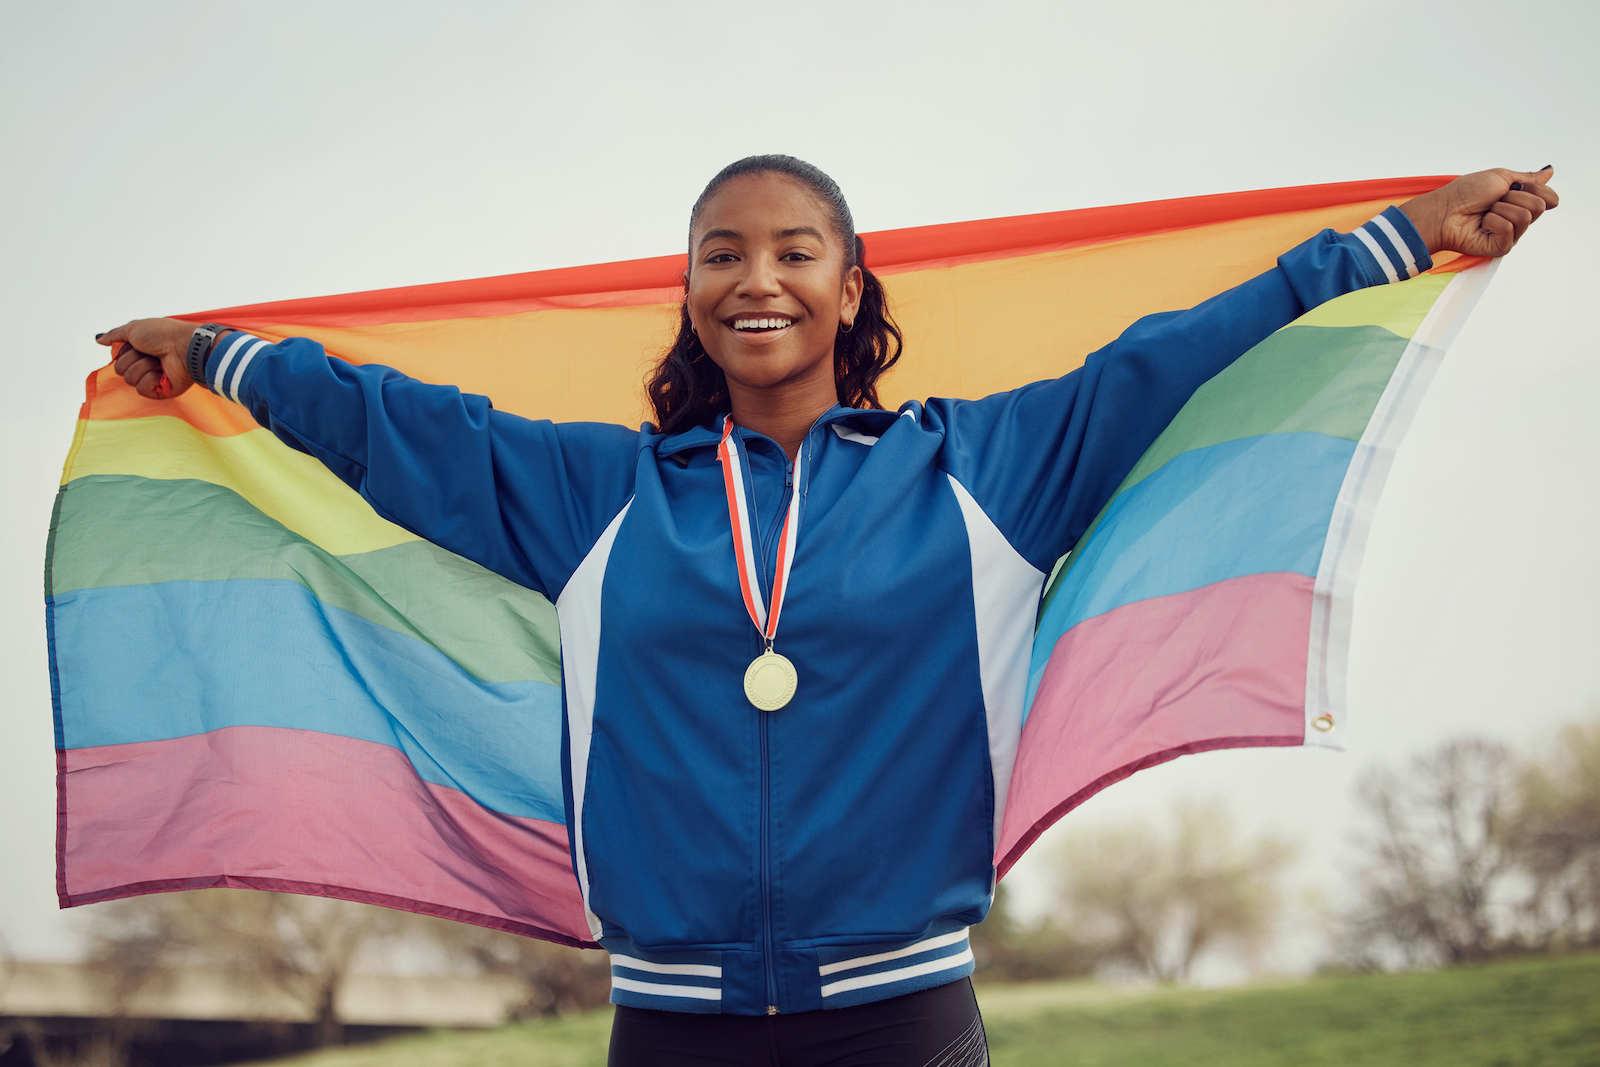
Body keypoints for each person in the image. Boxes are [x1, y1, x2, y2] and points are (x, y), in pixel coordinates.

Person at [97, 157, 1557, 1066]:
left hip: (905, 1020)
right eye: (721, 254)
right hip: (668, 1025)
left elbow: (1175, 357)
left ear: (849, 286)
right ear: (687, 295)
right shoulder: (597, 495)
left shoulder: (981, 468)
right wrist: (219, 354)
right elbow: (388, 425)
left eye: (794, 249)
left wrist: (1396, 236)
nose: (757, 276)